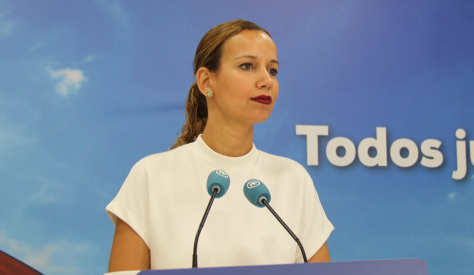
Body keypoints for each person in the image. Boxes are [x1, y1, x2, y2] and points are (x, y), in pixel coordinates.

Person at [106, 20, 334, 272]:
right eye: (247, 66)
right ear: (206, 82)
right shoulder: (151, 176)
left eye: (273, 70)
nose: (266, 80)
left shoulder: (293, 179)